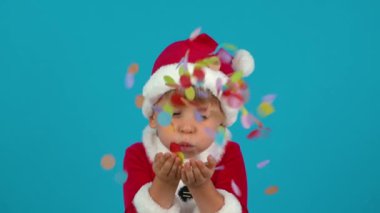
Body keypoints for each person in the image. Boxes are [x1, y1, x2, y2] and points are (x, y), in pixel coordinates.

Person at [123, 32, 255, 213]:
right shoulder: (138, 155)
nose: (186, 128)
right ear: (153, 116)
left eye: (202, 117)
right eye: (175, 113)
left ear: (221, 124)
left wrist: (202, 187)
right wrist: (164, 183)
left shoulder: (228, 154)